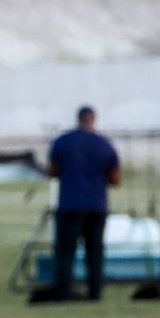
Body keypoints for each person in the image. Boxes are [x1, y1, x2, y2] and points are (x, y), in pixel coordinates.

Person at [48, 105, 122, 301]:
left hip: (70, 204)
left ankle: (62, 292)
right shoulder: (105, 145)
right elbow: (116, 179)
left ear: (78, 118)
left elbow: (53, 172)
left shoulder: (62, 142)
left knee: (65, 252)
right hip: (97, 205)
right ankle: (95, 293)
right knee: (95, 251)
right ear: (94, 119)